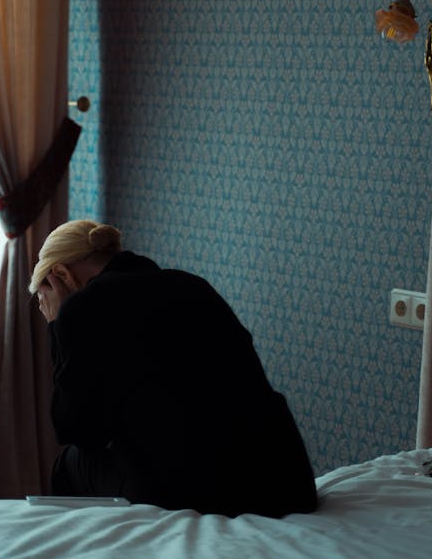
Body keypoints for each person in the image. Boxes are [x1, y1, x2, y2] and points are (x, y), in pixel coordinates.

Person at [30, 219, 317, 519]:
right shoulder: (192, 284)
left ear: (60, 274)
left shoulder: (83, 307)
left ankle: (81, 554)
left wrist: (57, 325)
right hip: (283, 481)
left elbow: (74, 428)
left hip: (198, 490)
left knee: (70, 463)